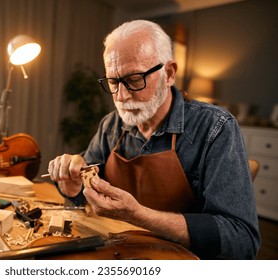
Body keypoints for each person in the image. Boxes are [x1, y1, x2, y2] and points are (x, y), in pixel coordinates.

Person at [47, 19, 260, 259]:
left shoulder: (216, 127)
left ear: (169, 74)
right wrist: (74, 185)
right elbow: (83, 193)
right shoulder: (111, 125)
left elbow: (242, 241)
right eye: (113, 82)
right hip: (122, 253)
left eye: (135, 79)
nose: (122, 96)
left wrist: (138, 214)